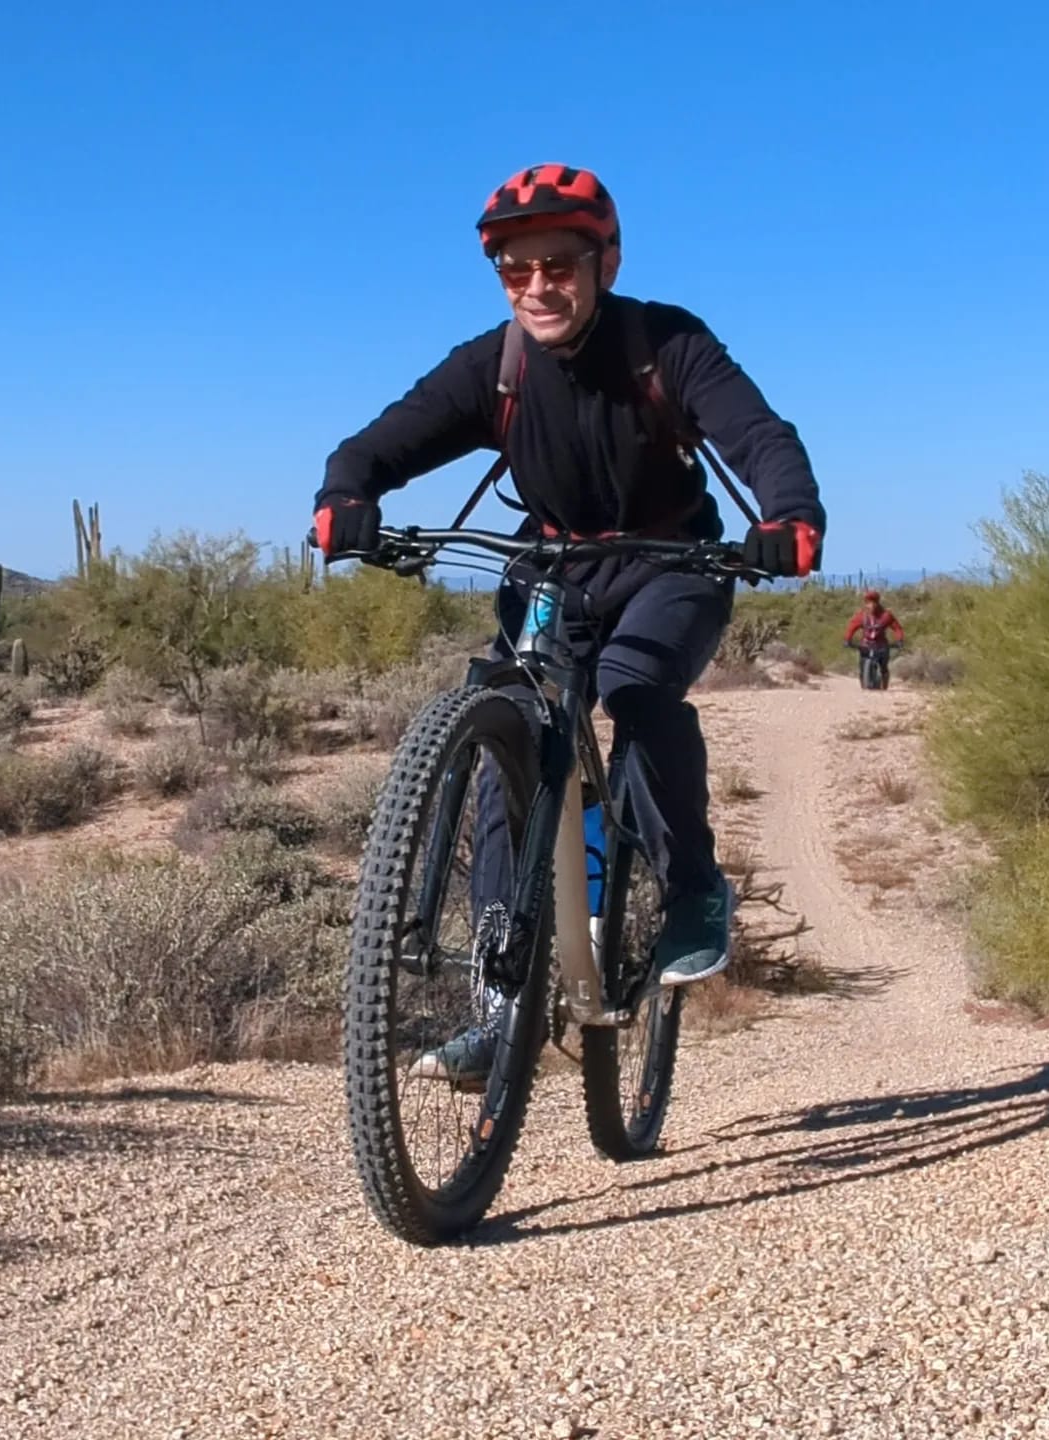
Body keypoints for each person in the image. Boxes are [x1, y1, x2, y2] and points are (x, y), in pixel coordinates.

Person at [314, 163, 826, 1084]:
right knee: (511, 729)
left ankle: (693, 891)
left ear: (605, 263)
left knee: (635, 689)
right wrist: (346, 494)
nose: (539, 287)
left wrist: (786, 514)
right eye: (518, 272)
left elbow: (758, 435)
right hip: (554, 565)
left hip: (674, 562)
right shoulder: (495, 365)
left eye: (559, 265)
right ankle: (501, 1004)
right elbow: (385, 438)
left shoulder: (664, 344)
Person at [844, 590, 905, 682]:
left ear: (877, 603)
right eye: (868, 603)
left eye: (874, 603)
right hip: (866, 645)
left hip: (881, 645)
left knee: (883, 665)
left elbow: (897, 628)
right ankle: (864, 678)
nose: (871, 606)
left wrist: (899, 639)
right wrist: (847, 639)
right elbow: (851, 627)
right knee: (862, 664)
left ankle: (884, 677)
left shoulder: (886, 616)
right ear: (865, 604)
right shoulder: (861, 616)